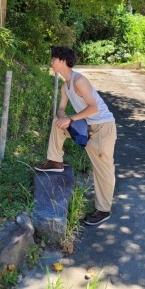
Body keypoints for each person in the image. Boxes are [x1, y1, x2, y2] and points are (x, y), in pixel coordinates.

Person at [35, 46, 117, 226]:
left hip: (103, 128)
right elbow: (61, 108)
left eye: (53, 59)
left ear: (62, 61)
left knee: (103, 170)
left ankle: (103, 210)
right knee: (57, 123)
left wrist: (71, 119)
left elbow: (93, 107)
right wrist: (63, 117)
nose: (51, 62)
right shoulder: (66, 86)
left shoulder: (79, 80)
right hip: (86, 125)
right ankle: (54, 161)